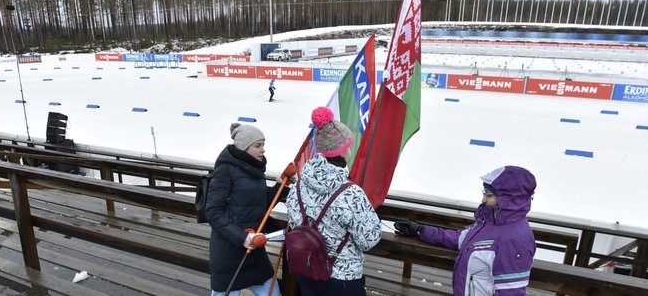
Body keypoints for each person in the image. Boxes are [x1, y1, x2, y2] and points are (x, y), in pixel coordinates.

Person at [394, 166, 537, 295]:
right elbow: (461, 239)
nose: (483, 200)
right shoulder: (489, 223)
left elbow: (510, 293)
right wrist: (421, 231)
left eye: (488, 195)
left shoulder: (514, 240)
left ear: (508, 199)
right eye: (484, 193)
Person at [286, 106, 382, 295]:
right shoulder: (351, 193)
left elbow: (295, 222)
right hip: (342, 281)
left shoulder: (298, 186)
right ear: (344, 150)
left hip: (307, 272)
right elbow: (368, 240)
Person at [206, 123, 289, 296]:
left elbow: (261, 204)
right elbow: (213, 213)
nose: (263, 150)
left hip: (255, 253)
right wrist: (243, 237)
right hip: (229, 253)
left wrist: (281, 187)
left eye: (263, 144)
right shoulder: (225, 171)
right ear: (244, 148)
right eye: (258, 145)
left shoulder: (255, 169)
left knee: (273, 293)